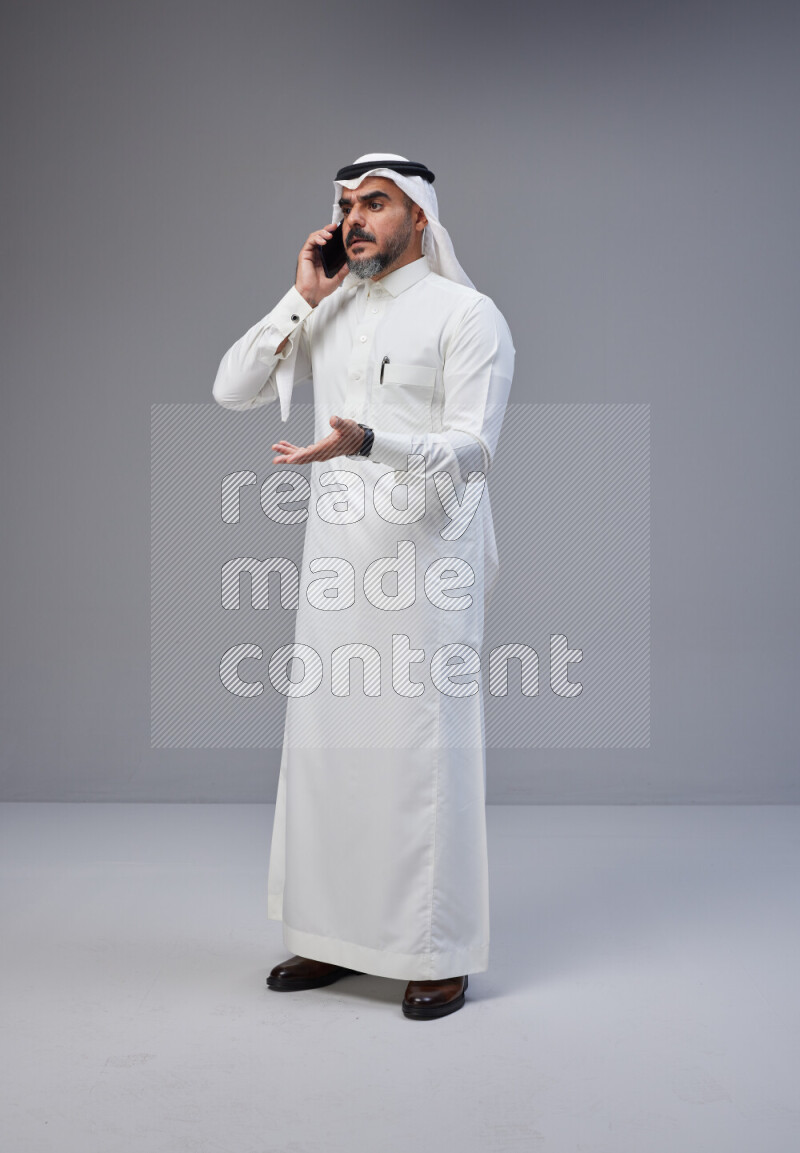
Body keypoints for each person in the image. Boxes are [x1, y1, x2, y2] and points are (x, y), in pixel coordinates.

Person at [212, 153, 514, 1019]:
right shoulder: (332, 309)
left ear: (419, 215)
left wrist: (368, 443)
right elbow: (231, 386)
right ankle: (331, 937)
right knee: (331, 751)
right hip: (337, 566)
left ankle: (438, 950)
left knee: (425, 755)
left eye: (375, 203)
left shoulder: (469, 314)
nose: (355, 219)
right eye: (346, 205)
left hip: (426, 564)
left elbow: (474, 449)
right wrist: (302, 296)